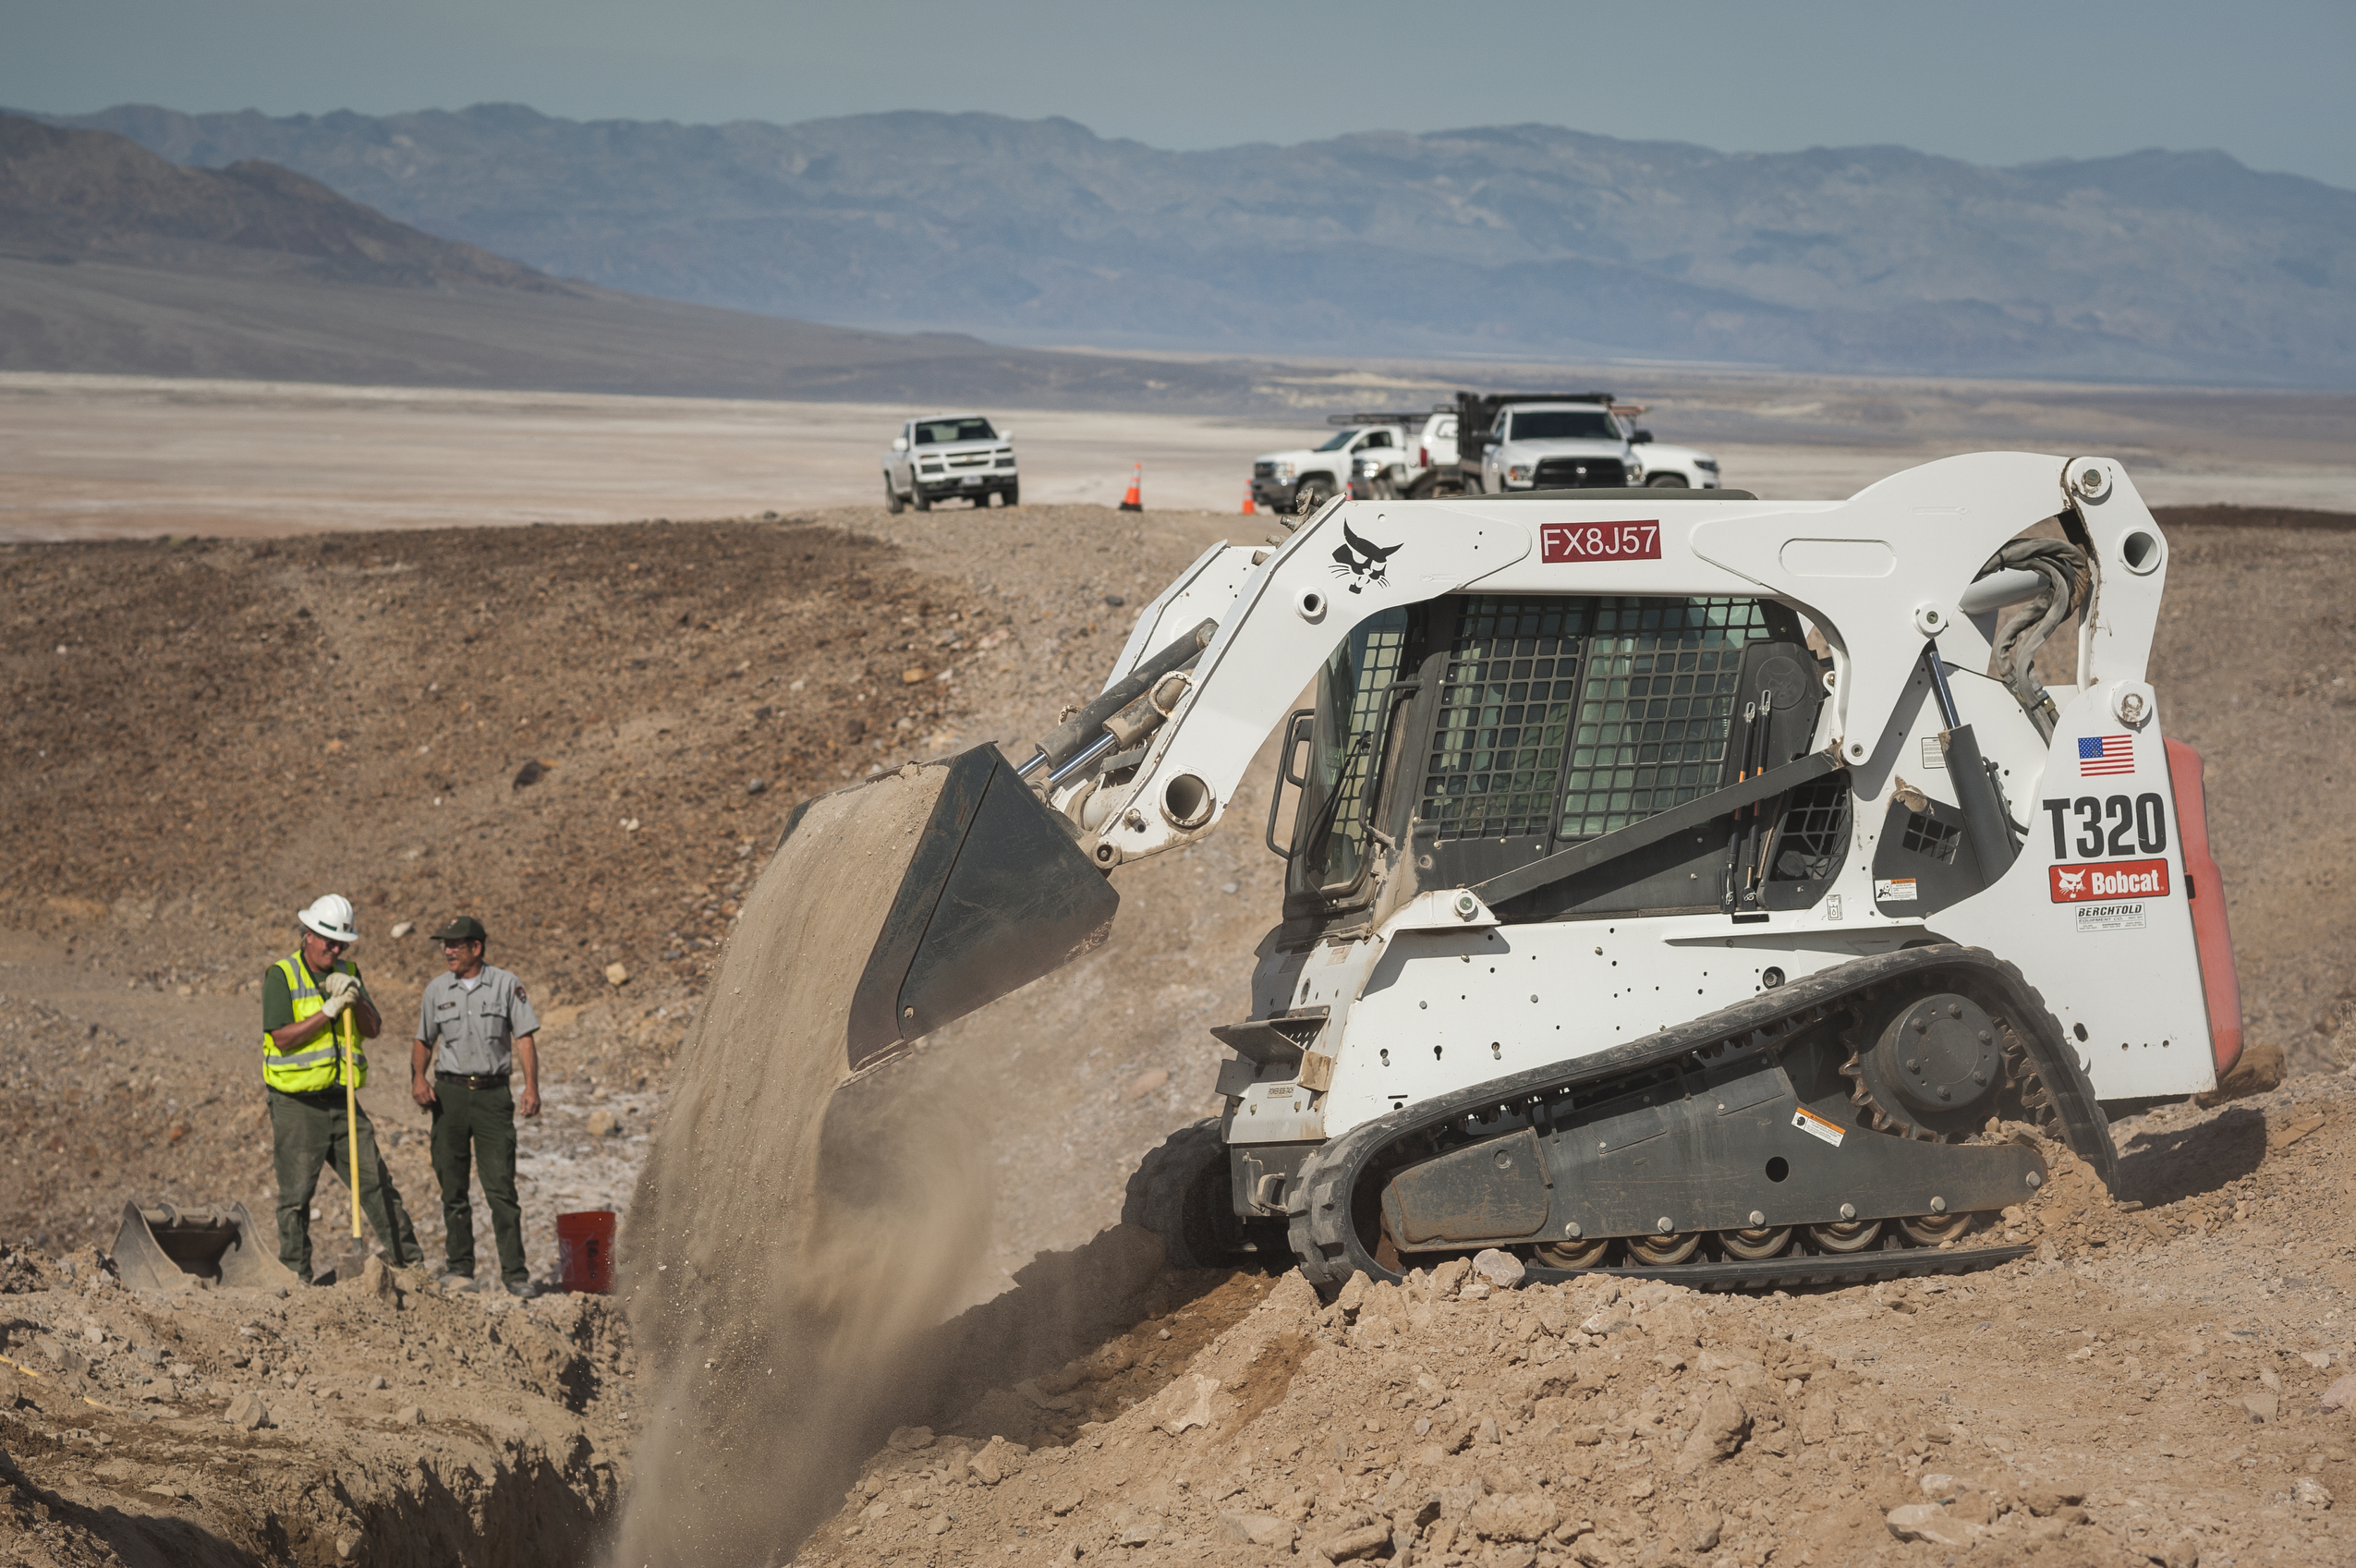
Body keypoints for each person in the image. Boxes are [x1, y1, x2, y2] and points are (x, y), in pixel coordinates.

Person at [261, 893, 424, 1283]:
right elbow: (282, 1038)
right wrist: (328, 1011)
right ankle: (296, 1277)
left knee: (377, 1184)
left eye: (341, 943)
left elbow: (373, 1028)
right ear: (308, 934)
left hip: (342, 1100)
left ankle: (412, 1268)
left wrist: (353, 997)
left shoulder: (349, 970)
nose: (335, 950)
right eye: (329, 941)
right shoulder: (281, 975)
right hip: (297, 1105)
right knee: (296, 1196)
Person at [412, 916, 541, 1296]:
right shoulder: (436, 989)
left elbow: (524, 1039)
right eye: (445, 945)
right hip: (448, 1095)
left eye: (456, 944)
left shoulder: (506, 985)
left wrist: (531, 1087)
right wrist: (418, 1078)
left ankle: (515, 1274)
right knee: (452, 1186)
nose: (448, 951)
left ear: (476, 948)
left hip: (492, 1095)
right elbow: (424, 1039)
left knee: (500, 1187)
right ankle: (459, 1268)